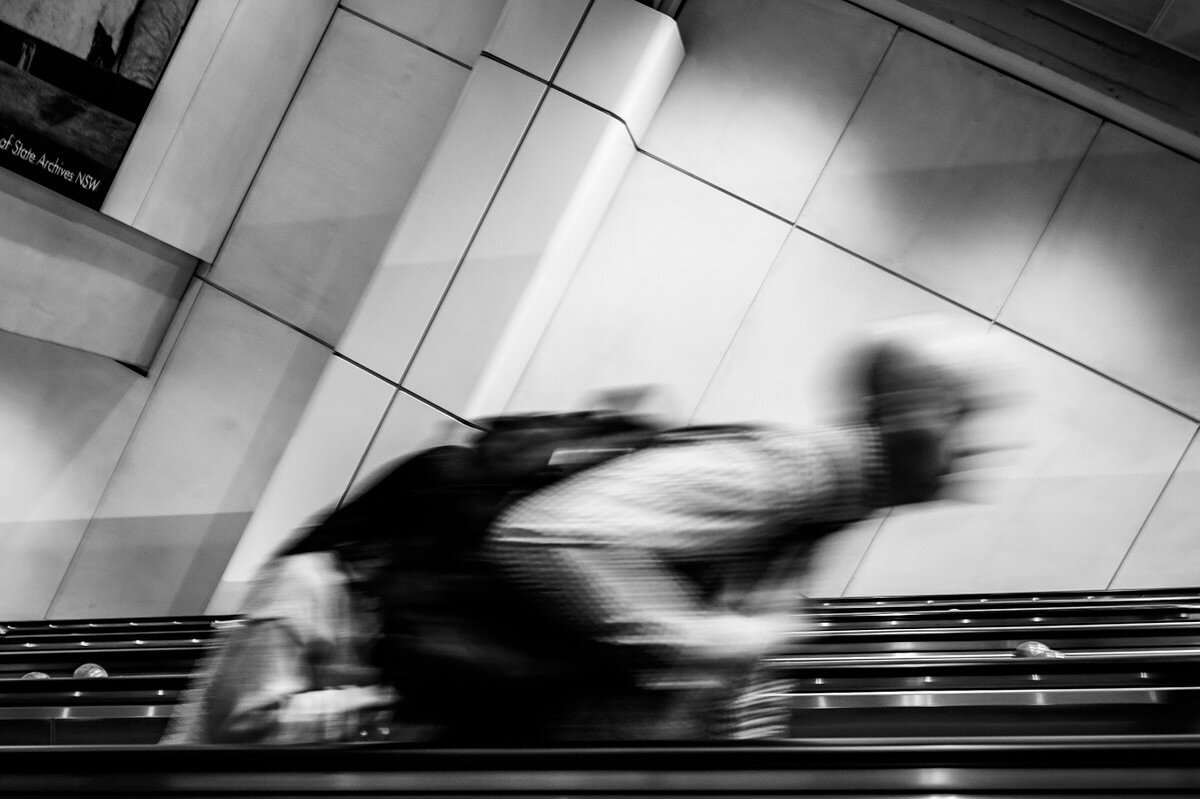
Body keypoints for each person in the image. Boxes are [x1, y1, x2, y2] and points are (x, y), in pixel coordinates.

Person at [465, 314, 1017, 741]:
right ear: (899, 410)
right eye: (958, 415)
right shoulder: (781, 473)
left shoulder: (835, 501)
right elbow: (541, 534)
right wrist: (726, 642)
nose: (973, 446)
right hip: (510, 740)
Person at [159, 461, 426, 744]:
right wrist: (383, 702)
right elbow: (246, 721)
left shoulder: (379, 601)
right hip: (213, 782)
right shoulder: (304, 582)